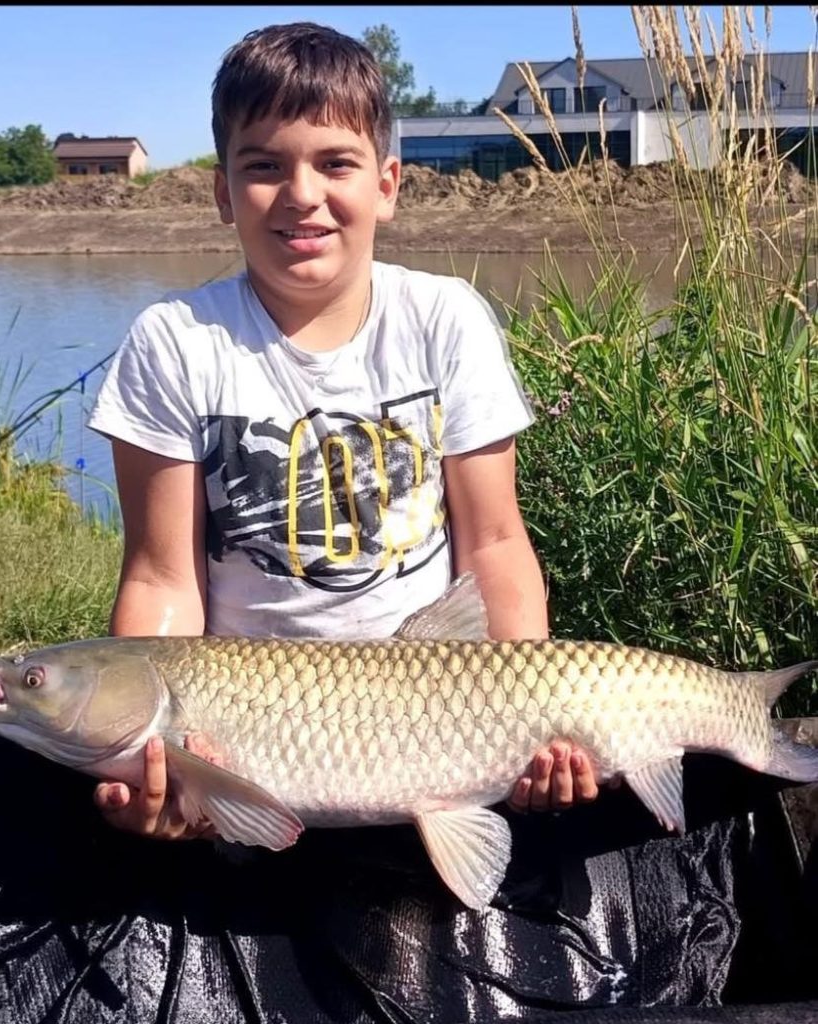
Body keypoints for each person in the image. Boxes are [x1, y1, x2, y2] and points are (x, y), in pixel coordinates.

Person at [85, 21, 600, 844]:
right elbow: (161, 577)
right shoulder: (174, 341)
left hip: (442, 706)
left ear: (387, 185)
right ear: (223, 193)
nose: (301, 194)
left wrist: (528, 720)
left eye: (335, 163)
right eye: (263, 166)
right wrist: (156, 754)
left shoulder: (444, 320)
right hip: (246, 734)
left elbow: (496, 542)